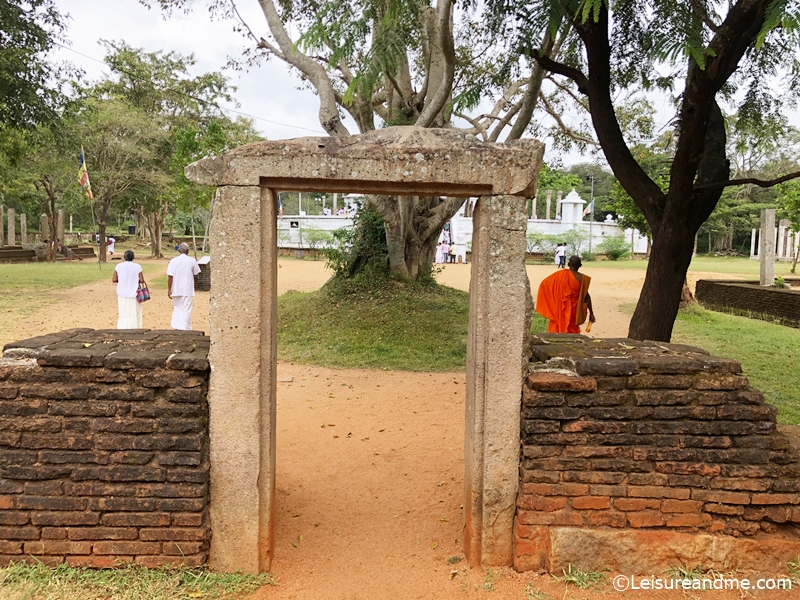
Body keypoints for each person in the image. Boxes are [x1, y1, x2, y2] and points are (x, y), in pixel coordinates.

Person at [535, 255, 596, 334]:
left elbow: (544, 284)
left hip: (560, 308)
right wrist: (591, 313)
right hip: (574, 310)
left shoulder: (559, 275)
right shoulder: (582, 279)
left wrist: (552, 301)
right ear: (580, 265)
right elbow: (586, 297)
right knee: (572, 330)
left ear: (568, 264)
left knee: (557, 328)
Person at [167, 243, 201, 330]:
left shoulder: (173, 261)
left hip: (176, 289)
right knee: (186, 310)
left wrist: (169, 289)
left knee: (177, 308)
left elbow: (170, 276)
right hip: (187, 289)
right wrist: (194, 287)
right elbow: (196, 276)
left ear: (179, 250)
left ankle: (180, 327)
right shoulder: (192, 261)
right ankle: (183, 328)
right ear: (188, 251)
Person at [113, 250, 145, 329]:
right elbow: (141, 280)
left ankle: (123, 326)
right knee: (134, 311)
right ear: (133, 257)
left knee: (123, 311)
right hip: (134, 292)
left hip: (122, 292)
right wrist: (134, 280)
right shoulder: (137, 266)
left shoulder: (118, 266)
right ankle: (135, 326)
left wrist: (122, 280)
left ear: (124, 257)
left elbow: (114, 279)